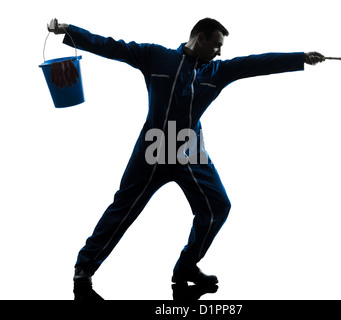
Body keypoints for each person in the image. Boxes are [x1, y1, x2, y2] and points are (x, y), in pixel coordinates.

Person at [47, 18, 324, 300]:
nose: (219, 52)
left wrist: (299, 57)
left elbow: (256, 63)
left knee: (217, 207)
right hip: (152, 149)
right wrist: (69, 31)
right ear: (200, 38)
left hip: (188, 151)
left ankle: (186, 267)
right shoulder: (156, 57)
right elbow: (110, 46)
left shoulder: (218, 71)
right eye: (216, 45)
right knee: (123, 209)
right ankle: (84, 268)